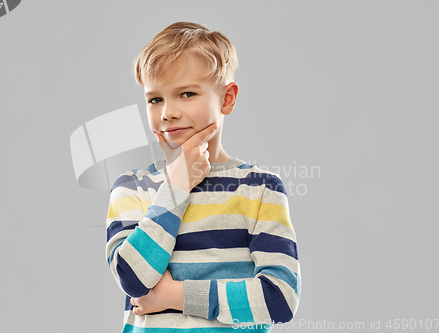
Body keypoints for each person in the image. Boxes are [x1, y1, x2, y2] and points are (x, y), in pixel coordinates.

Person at [105, 21, 301, 332]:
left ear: (227, 98)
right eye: (155, 99)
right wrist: (177, 185)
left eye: (186, 93)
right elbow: (132, 278)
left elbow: (279, 300)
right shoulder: (133, 188)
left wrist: (175, 296)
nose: (167, 112)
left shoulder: (260, 189)